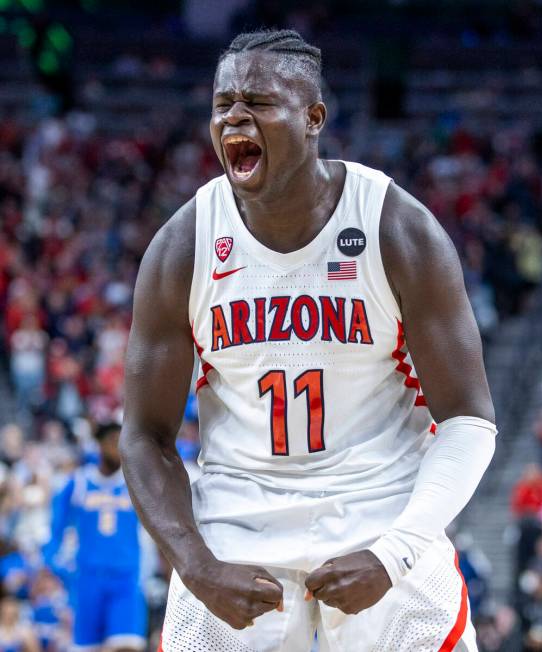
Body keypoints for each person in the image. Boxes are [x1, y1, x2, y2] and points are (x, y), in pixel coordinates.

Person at [120, 29, 497, 651]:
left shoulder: (396, 227)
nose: (234, 116)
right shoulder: (184, 245)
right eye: (223, 104)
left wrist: (395, 554)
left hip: (382, 524)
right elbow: (143, 434)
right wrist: (194, 564)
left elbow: (470, 420)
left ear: (313, 117)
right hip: (233, 540)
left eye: (258, 102)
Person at [44, 422, 146, 652]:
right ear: (99, 444)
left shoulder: (134, 481)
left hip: (126, 578)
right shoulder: (77, 482)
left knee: (126, 646)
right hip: (88, 578)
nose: (117, 448)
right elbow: (55, 530)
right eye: (112, 442)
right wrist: (56, 565)